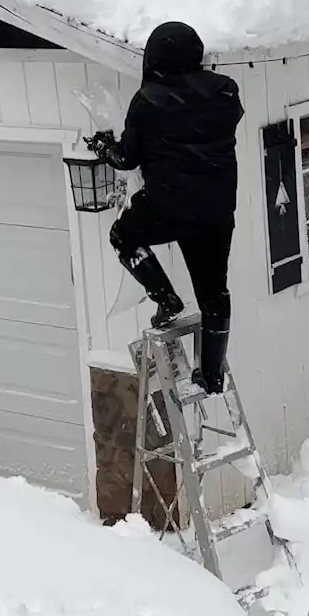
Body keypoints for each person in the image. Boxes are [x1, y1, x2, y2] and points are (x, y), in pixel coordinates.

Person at [88, 21, 243, 395]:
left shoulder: (150, 101)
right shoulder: (226, 93)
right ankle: (211, 374)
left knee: (123, 236)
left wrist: (104, 147)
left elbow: (127, 158)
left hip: (168, 208)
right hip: (216, 213)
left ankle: (166, 298)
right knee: (214, 295)